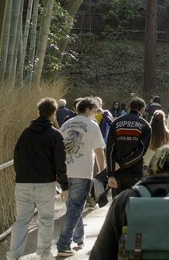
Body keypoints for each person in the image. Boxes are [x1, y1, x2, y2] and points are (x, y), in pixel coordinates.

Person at [7, 98, 68, 260]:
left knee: (21, 221)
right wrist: (64, 185)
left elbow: (17, 158)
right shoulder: (55, 135)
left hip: (23, 183)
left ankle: (13, 255)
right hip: (45, 183)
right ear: (54, 114)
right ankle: (44, 254)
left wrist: (21, 175)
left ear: (38, 112)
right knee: (46, 219)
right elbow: (60, 163)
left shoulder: (25, 133)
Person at [55, 98, 107, 257]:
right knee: (76, 207)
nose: (96, 113)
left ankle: (78, 236)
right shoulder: (91, 126)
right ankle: (63, 244)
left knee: (73, 206)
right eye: (95, 110)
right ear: (87, 109)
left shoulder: (66, 124)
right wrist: (102, 171)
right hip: (82, 171)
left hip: (65, 170)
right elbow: (99, 150)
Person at [104, 96, 152, 196]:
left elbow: (109, 149)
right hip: (134, 172)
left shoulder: (116, 123)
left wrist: (111, 173)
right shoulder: (145, 125)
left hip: (116, 172)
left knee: (117, 206)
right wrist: (123, 164)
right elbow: (141, 152)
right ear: (142, 109)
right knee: (132, 206)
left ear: (129, 107)